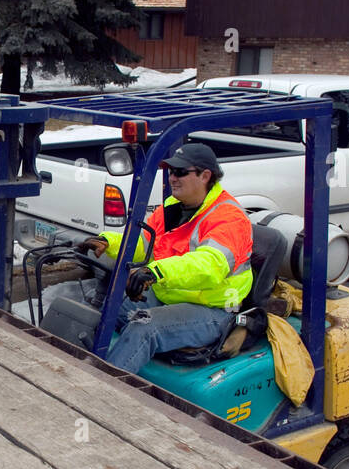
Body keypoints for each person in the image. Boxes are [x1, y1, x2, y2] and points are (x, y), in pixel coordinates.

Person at [76, 143, 254, 374]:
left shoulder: (229, 218)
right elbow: (144, 245)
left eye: (180, 172)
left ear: (205, 176)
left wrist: (157, 272)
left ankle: (99, 390)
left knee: (144, 327)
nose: (173, 178)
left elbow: (209, 267)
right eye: (171, 172)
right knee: (105, 305)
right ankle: (71, 367)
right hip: (171, 296)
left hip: (213, 309)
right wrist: (107, 242)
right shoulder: (173, 207)